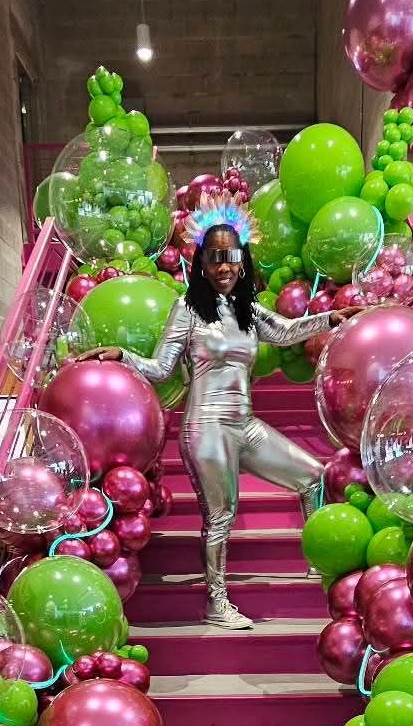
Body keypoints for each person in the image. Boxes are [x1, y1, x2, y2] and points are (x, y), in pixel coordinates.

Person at [78, 198, 361, 629]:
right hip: (206, 427)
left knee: (313, 477)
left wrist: (330, 319)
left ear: (242, 261)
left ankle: (318, 563)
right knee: (221, 516)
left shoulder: (248, 311)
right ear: (203, 264)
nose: (224, 265)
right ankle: (217, 602)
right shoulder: (188, 309)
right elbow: (162, 368)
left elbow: (287, 332)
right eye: (214, 257)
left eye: (231, 256)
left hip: (244, 424)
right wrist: (123, 355)